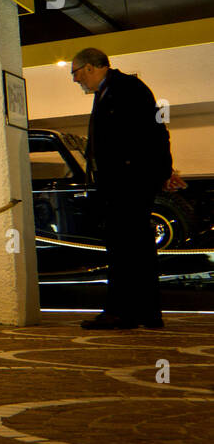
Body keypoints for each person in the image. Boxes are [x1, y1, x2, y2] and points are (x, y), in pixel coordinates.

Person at [70, 49, 181, 330]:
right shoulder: (109, 91)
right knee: (132, 248)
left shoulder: (127, 88)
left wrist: (163, 170)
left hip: (129, 181)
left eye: (76, 72)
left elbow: (154, 131)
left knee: (127, 248)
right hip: (124, 181)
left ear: (91, 67)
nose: (75, 80)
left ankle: (124, 312)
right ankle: (140, 313)